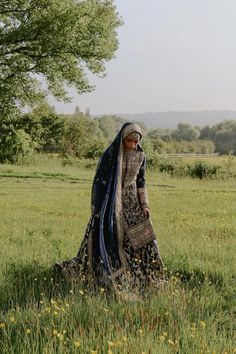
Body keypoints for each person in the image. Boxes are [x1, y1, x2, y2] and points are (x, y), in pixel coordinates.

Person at [55, 122, 164, 294]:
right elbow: (99, 182)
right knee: (111, 236)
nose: (134, 145)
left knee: (145, 237)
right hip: (110, 203)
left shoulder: (141, 157)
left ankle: (147, 276)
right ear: (123, 139)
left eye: (137, 141)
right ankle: (113, 274)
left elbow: (141, 182)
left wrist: (145, 204)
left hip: (132, 203)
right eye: (130, 141)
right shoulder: (111, 156)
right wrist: (97, 209)